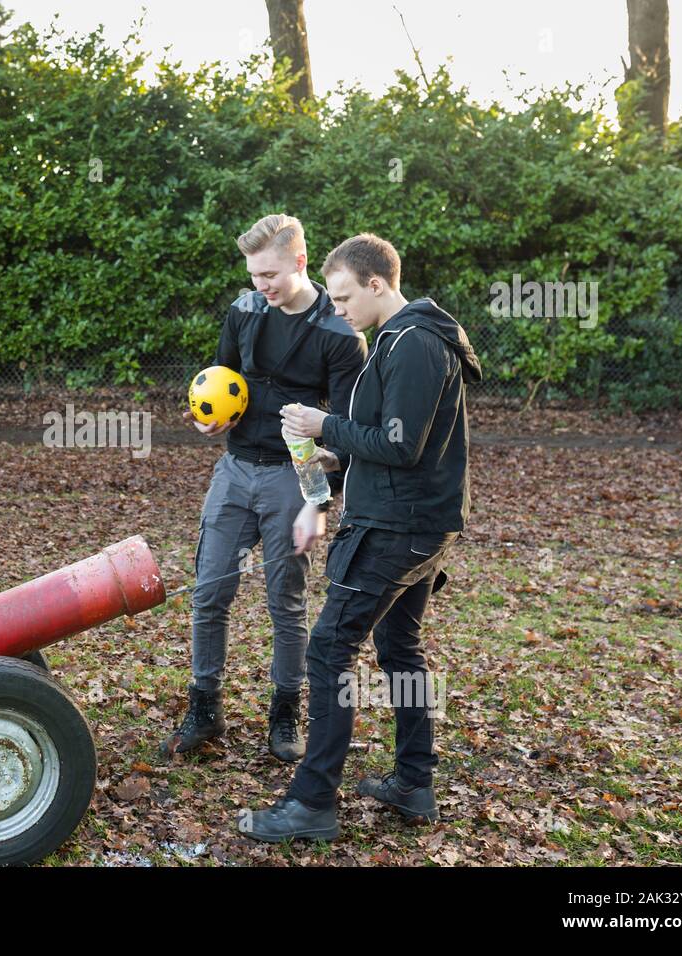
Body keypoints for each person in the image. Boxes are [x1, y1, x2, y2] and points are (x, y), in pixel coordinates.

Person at [239, 233, 482, 842]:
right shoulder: (394, 342)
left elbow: (403, 446)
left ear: (378, 284)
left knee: (327, 652)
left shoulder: (416, 345)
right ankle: (413, 783)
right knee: (400, 650)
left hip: (400, 528)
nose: (338, 307)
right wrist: (332, 460)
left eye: (345, 296)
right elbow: (386, 439)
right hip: (409, 519)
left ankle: (313, 803)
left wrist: (329, 424)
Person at [162, 214, 367, 762]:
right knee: (208, 593)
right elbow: (220, 378)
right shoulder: (244, 309)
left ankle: (284, 715)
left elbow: (347, 425)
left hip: (294, 475)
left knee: (287, 602)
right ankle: (204, 708)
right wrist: (211, 418)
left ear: (300, 262)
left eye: (270, 274)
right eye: (254, 275)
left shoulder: (341, 332)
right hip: (234, 469)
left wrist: (322, 495)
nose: (261, 286)